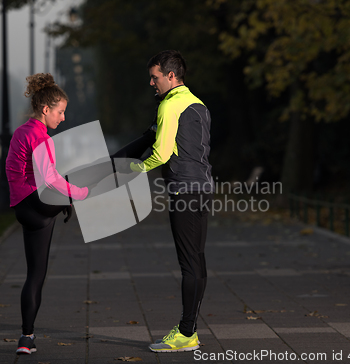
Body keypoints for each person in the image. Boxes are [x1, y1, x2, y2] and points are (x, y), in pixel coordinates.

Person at [130, 50, 214, 352]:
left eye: (154, 77)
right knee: (198, 261)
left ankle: (187, 333)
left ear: (170, 76)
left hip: (185, 190)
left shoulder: (169, 106)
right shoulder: (199, 105)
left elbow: (162, 153)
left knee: (189, 264)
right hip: (204, 188)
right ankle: (189, 330)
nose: (151, 83)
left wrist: (135, 169)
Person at [5, 73, 89, 355]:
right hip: (38, 204)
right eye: (60, 112)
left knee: (34, 275)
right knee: (90, 180)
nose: (63, 118)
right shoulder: (41, 137)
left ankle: (26, 339)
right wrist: (79, 194)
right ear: (46, 109)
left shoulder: (20, 132)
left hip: (22, 208)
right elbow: (49, 179)